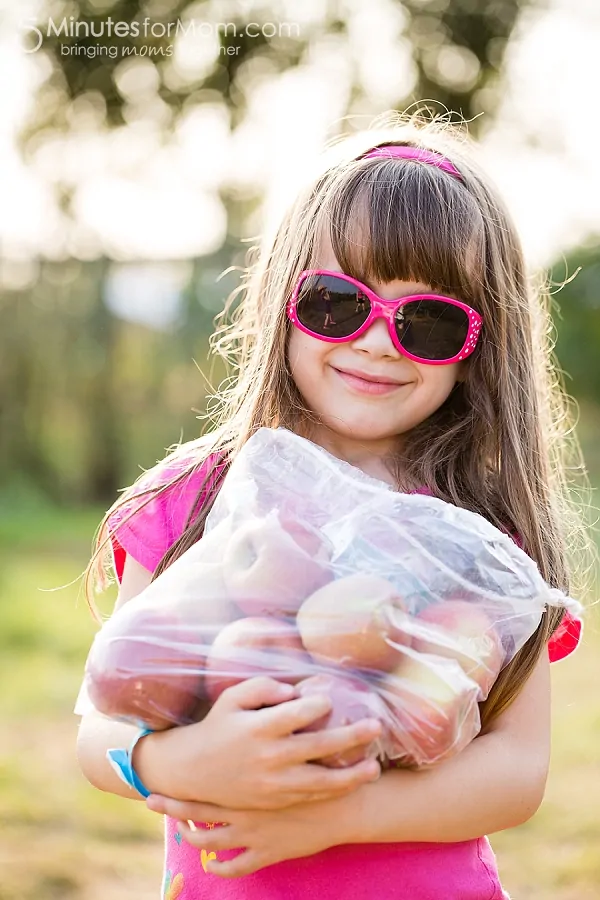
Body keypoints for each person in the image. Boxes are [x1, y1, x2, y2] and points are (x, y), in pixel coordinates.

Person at [76, 114, 591, 900]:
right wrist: (169, 763)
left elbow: (518, 769)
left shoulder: (475, 538)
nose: (380, 343)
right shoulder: (201, 500)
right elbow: (105, 719)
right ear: (283, 299)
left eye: (429, 320)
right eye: (337, 304)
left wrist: (341, 815)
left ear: (480, 346)